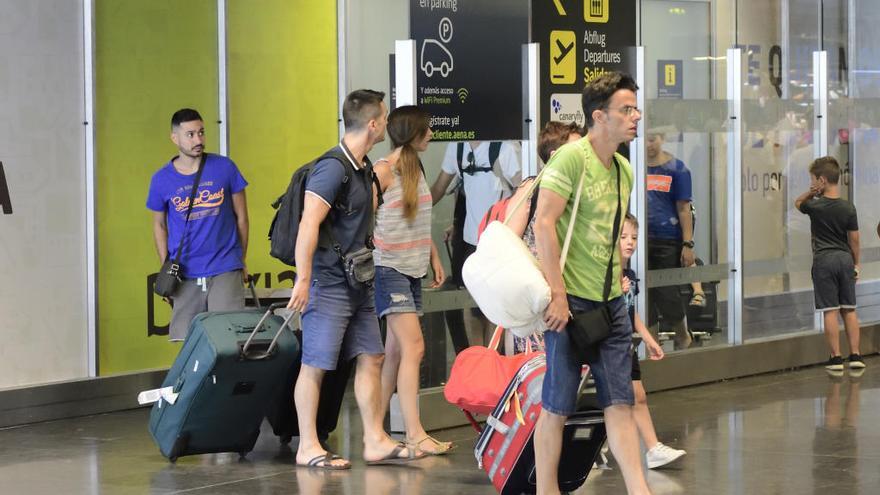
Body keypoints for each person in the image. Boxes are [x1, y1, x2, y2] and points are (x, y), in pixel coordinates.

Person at [286, 89, 424, 469]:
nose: (387, 122)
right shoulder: (333, 168)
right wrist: (303, 279)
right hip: (328, 283)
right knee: (316, 364)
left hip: (359, 279)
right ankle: (308, 445)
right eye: (383, 115)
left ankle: (375, 439)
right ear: (374, 124)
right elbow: (309, 223)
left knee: (372, 356)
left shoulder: (363, 167)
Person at [534, 71, 652, 495]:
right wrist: (558, 295)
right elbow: (543, 225)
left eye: (636, 108)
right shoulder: (571, 160)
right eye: (626, 109)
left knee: (620, 401)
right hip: (568, 305)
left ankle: (639, 488)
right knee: (557, 406)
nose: (636, 116)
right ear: (599, 117)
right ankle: (547, 489)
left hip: (610, 303)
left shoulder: (623, 169)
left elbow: (609, 231)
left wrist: (615, 277)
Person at [372, 105, 451, 455]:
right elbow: (362, 220)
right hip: (389, 270)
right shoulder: (383, 169)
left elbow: (416, 219)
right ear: (413, 132)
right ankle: (414, 432)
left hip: (412, 269)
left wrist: (434, 257)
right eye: (427, 129)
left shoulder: (415, 167)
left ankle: (376, 432)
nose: (431, 134)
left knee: (394, 353)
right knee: (415, 347)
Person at [147, 108, 249, 342]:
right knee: (190, 344)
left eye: (201, 133)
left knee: (228, 340)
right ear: (175, 138)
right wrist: (165, 267)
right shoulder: (161, 179)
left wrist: (240, 260)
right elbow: (159, 226)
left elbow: (242, 218)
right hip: (185, 272)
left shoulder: (225, 168)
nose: (198, 140)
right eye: (190, 134)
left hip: (225, 266)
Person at [430, 140, 522, 346]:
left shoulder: (505, 148)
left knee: (498, 310)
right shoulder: (458, 147)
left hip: (501, 241)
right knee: (474, 307)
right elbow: (437, 189)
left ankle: (494, 362)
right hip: (472, 241)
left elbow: (525, 190)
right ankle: (479, 361)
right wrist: (404, 207)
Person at [619, 214, 687, 469]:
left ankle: (653, 448)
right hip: (611, 346)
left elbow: (631, 311)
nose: (630, 242)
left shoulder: (630, 274)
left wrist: (648, 339)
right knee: (627, 398)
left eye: (634, 237)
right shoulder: (604, 274)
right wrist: (617, 291)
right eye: (624, 237)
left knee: (638, 396)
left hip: (626, 344)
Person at [794, 156, 865, 371]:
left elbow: (798, 203)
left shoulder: (816, 207)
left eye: (814, 179)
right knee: (849, 310)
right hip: (845, 260)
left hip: (824, 261)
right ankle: (856, 355)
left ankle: (836, 358)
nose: (813, 182)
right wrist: (856, 264)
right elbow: (854, 239)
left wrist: (811, 192)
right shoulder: (848, 207)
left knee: (831, 311)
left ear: (822, 180)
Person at [645, 130, 695, 349]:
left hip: (667, 240)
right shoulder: (635, 165)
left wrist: (687, 243)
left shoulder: (677, 169)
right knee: (645, 294)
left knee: (666, 292)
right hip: (640, 239)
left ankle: (682, 334)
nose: (648, 145)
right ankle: (652, 341)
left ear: (662, 139)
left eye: (653, 139)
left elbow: (684, 209)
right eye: (644, 139)